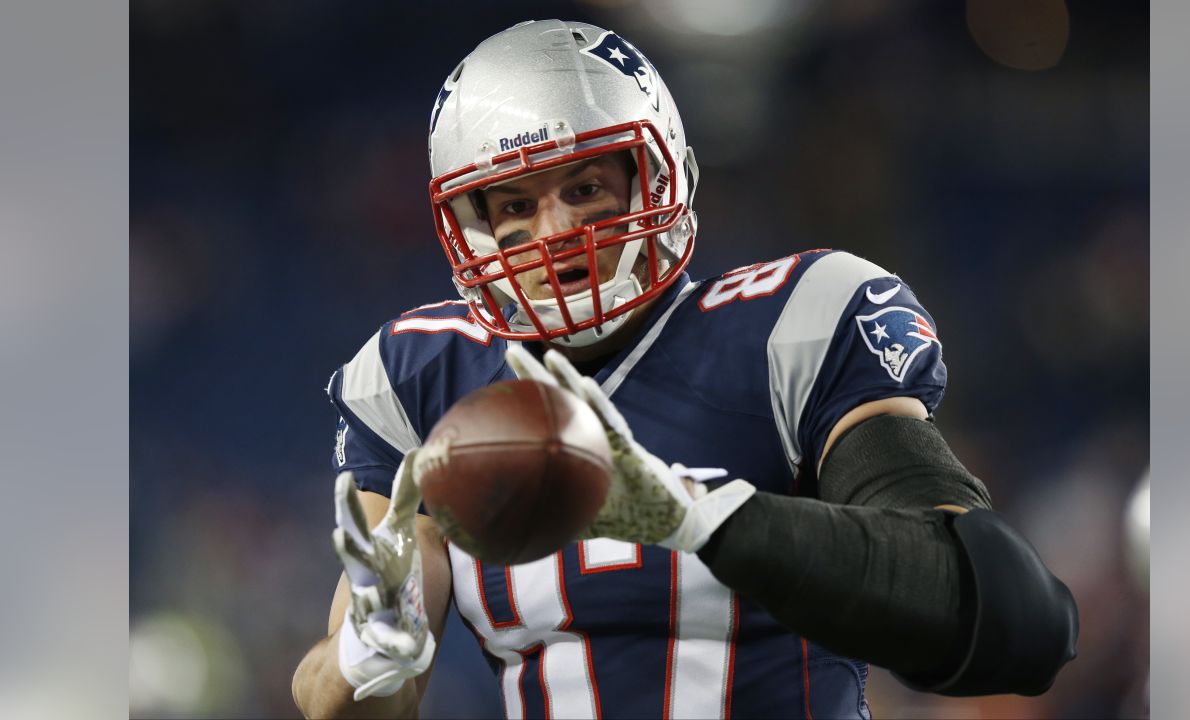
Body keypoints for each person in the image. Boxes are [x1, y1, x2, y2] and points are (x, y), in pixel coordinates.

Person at [292, 19, 1078, 720]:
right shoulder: (422, 375)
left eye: (586, 187)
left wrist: (697, 517)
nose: (557, 232)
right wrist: (369, 653)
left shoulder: (793, 324)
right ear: (471, 228)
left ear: (661, 178)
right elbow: (353, 706)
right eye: (515, 207)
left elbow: (1013, 622)